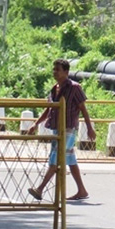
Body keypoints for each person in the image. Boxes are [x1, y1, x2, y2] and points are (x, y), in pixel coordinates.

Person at [27, 58, 96, 201]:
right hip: (57, 128)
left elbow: (83, 108)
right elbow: (49, 110)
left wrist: (90, 128)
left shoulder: (74, 87)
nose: (55, 72)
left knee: (56, 158)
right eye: (54, 69)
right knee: (69, 158)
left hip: (68, 128)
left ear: (66, 72)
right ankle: (81, 190)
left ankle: (40, 189)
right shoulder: (54, 89)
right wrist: (36, 123)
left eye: (58, 70)